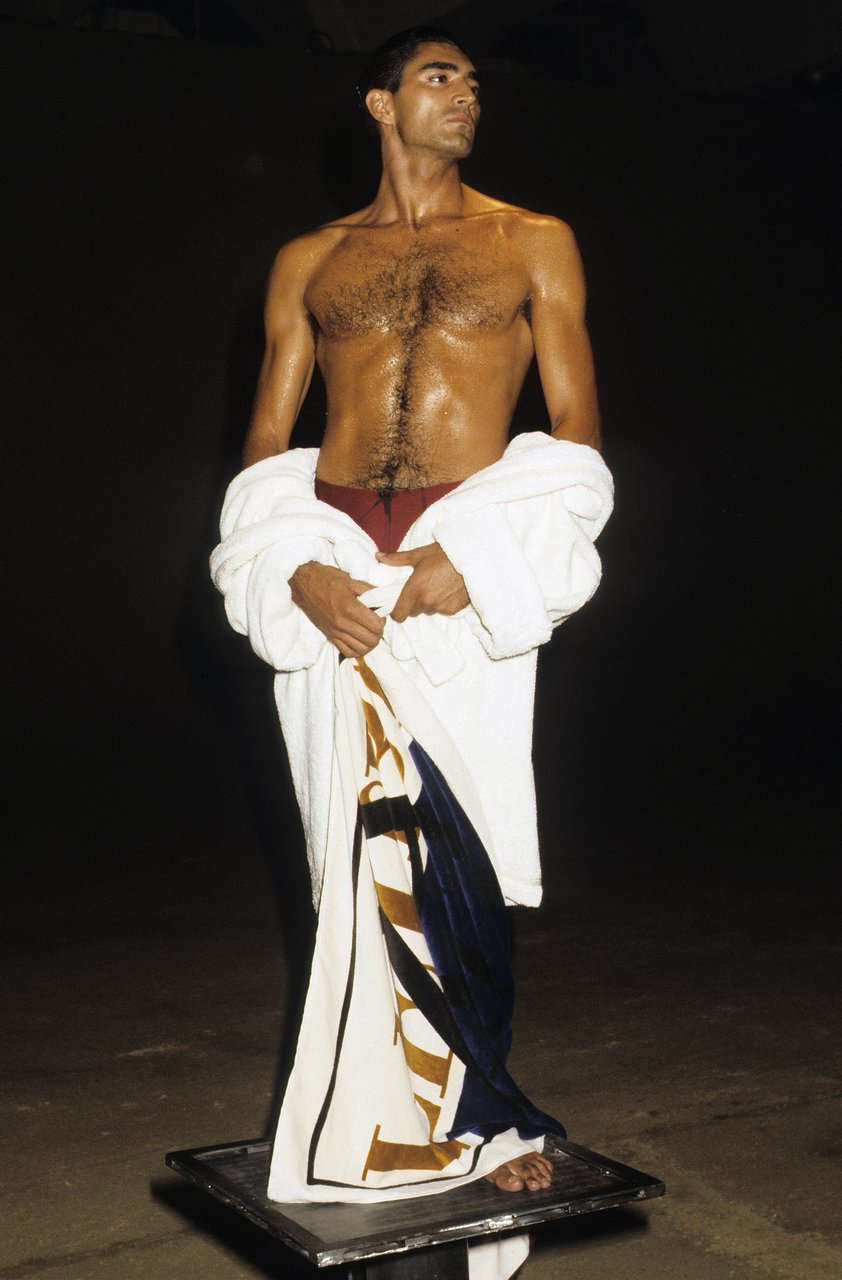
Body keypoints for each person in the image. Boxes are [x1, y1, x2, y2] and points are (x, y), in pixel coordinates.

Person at [211, 25, 613, 1256]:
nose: (465, 97)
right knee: (355, 863)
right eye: (440, 78)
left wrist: (480, 559)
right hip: (336, 565)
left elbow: (577, 432)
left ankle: (485, 1117)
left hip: (455, 564)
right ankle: (384, 1125)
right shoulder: (310, 260)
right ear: (380, 102)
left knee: (458, 855)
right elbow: (265, 444)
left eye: (474, 83)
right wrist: (292, 565)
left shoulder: (531, 239)